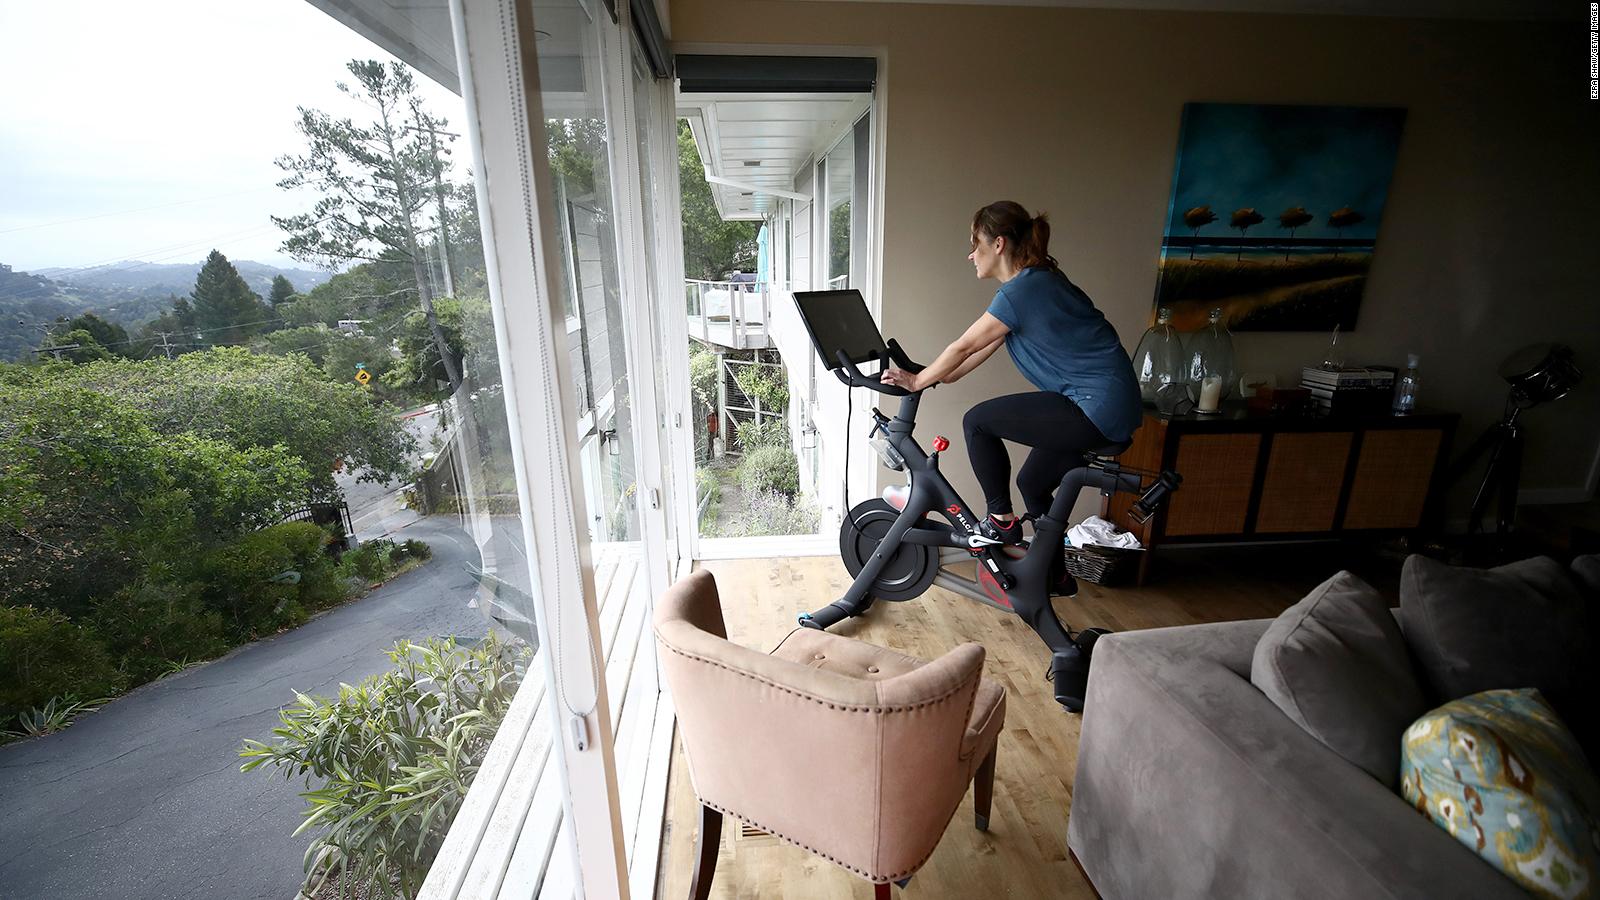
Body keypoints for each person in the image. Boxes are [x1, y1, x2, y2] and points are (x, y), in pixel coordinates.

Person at [880, 200, 1142, 545]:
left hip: (1095, 405)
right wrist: (934, 375)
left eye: (976, 244)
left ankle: (1001, 522)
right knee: (1032, 483)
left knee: (977, 422)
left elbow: (963, 346)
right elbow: (972, 355)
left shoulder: (1022, 292)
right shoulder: (1039, 282)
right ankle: (1053, 570)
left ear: (999, 244)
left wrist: (917, 380)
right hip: (1110, 404)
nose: (971, 255)